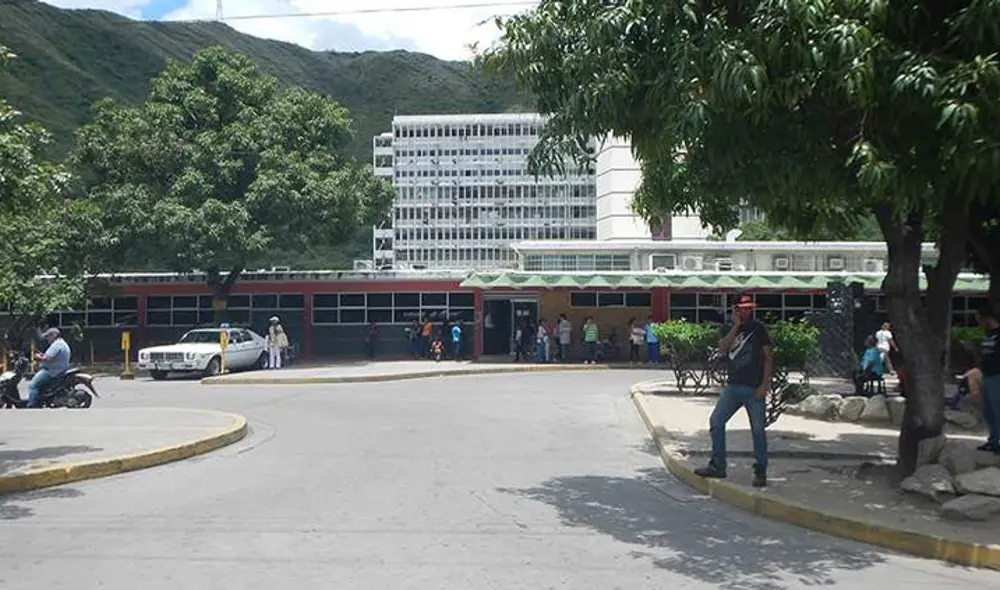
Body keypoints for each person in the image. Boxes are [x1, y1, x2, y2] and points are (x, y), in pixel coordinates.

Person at [694, 293, 773, 487]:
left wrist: (765, 385)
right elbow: (723, 348)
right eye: (743, 308)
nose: (747, 312)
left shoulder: (759, 329)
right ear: (735, 310)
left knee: (758, 431)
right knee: (716, 422)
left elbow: (768, 357)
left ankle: (760, 470)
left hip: (754, 389)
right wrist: (736, 326)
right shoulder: (727, 329)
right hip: (733, 386)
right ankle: (718, 465)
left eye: (749, 308)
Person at [975, 306, 999, 454]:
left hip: (998, 375)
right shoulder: (987, 334)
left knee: (998, 409)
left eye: (979, 320)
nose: (978, 323)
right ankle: (993, 440)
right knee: (988, 411)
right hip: (987, 375)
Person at [27, 327, 72, 408]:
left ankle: (31, 405)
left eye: (48, 336)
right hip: (58, 370)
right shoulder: (62, 343)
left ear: (53, 336)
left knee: (33, 385)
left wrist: (38, 356)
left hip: (51, 371)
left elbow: (47, 358)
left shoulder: (56, 345)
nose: (47, 339)